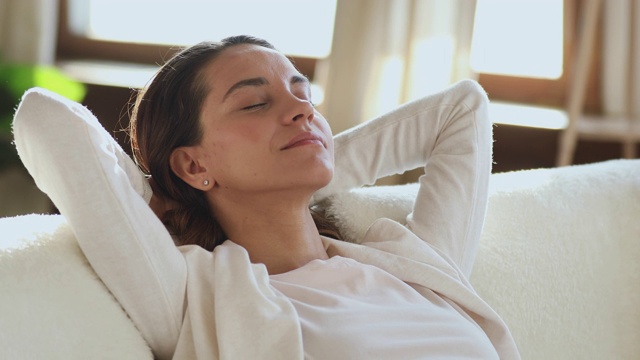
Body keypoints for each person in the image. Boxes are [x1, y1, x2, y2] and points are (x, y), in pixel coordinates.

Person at [14, 35, 520, 359]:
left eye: (305, 96)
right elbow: (45, 118)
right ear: (193, 163)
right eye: (255, 102)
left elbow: (463, 108)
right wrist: (165, 199)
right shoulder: (197, 296)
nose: (302, 109)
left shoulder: (411, 264)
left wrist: (309, 160)